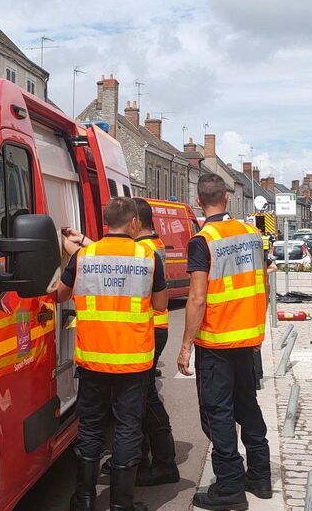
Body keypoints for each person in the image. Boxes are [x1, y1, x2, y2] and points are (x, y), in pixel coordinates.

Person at [50, 197, 167, 511]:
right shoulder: (148, 257)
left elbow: (60, 295)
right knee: (128, 426)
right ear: (132, 223)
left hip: (93, 357)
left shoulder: (85, 256)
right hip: (133, 359)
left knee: (89, 425)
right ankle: (120, 504)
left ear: (105, 224)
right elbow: (160, 305)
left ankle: (85, 500)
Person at [177, 173, 271, 510]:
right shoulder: (251, 233)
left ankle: (230, 487)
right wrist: (257, 327)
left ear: (200, 202)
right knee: (248, 406)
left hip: (216, 342)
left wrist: (186, 344)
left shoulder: (202, 240)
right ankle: (260, 477)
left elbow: (197, 298)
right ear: (228, 199)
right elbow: (264, 285)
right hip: (247, 339)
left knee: (219, 412)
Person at [132, 198, 179, 487]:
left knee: (145, 398)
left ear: (134, 222)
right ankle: (143, 457)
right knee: (141, 397)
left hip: (149, 326)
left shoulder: (144, 250)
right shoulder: (153, 244)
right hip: (154, 327)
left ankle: (163, 463)